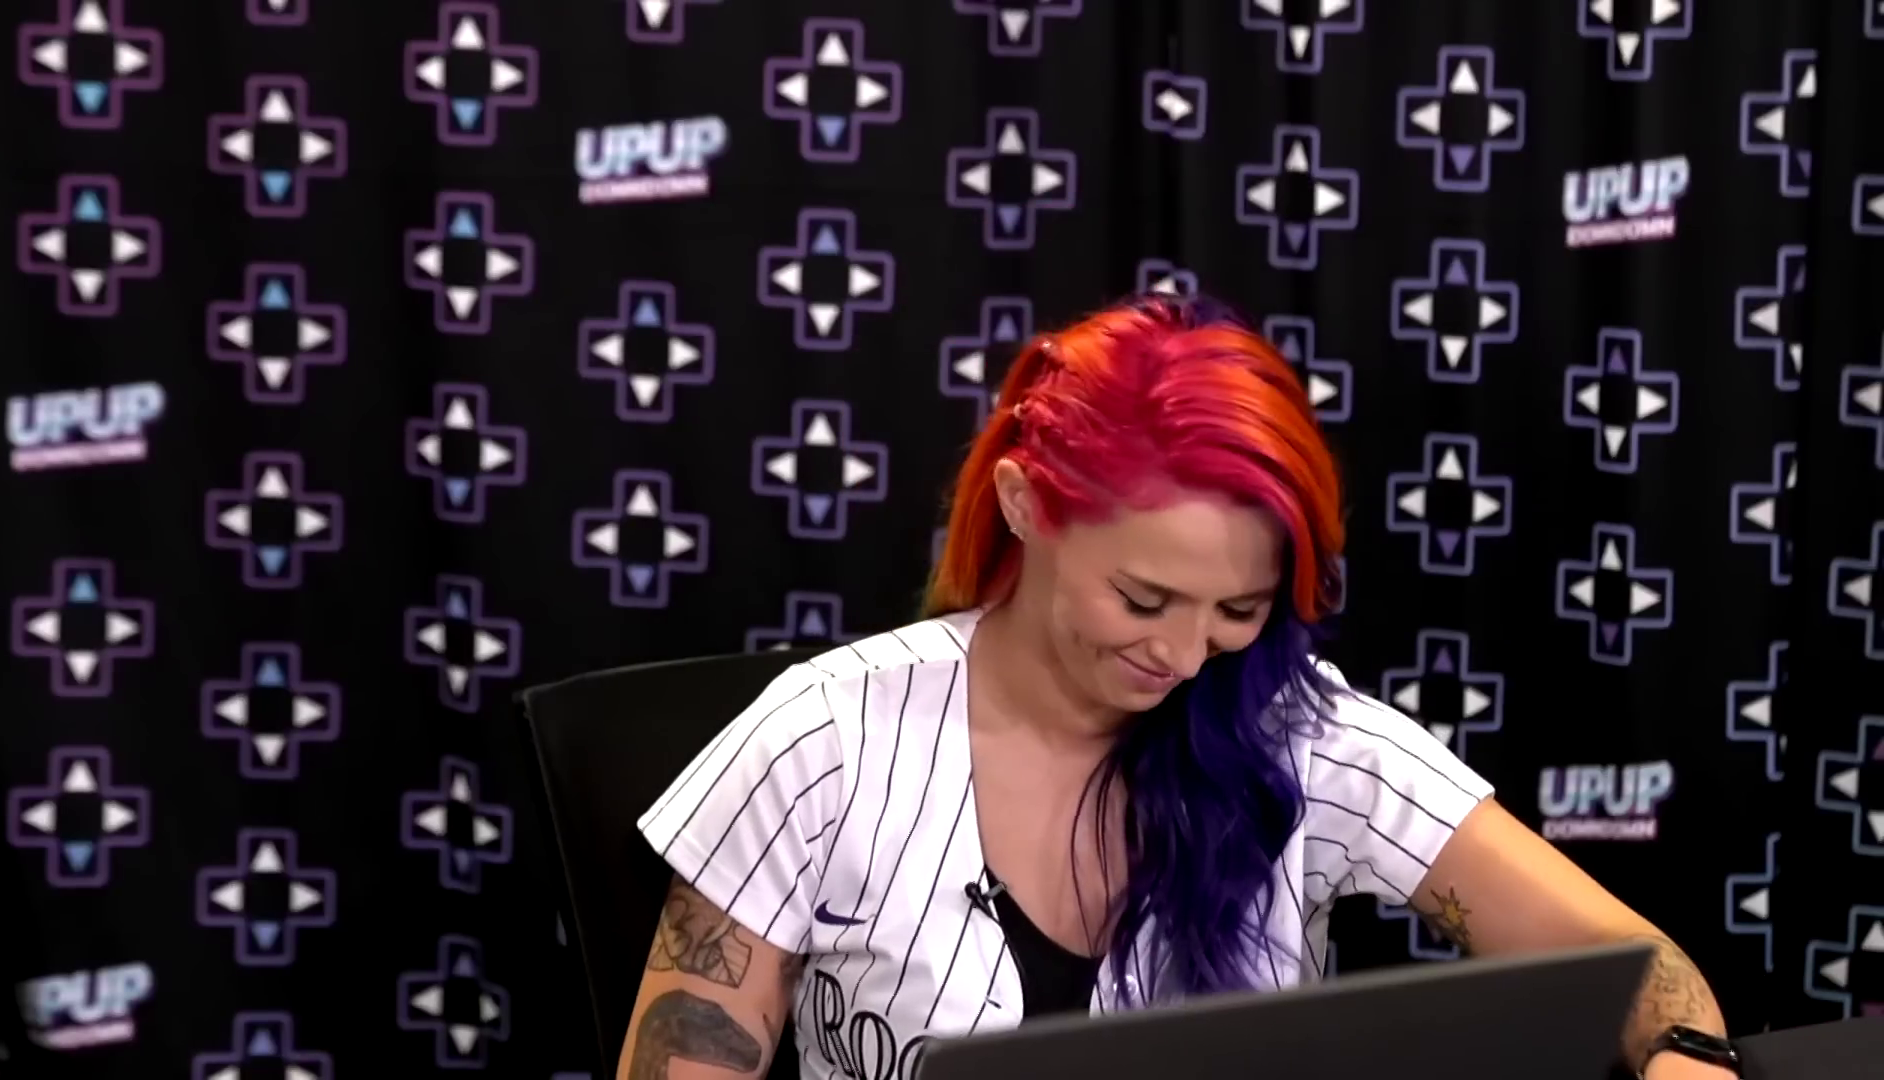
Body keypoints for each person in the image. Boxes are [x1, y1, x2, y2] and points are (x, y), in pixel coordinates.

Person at [619, 296, 1737, 1080]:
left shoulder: (1308, 737)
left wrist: (1688, 1057)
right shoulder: (823, 740)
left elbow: (1641, 972)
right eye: (1143, 599)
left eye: (1239, 611)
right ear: (1024, 505)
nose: (1190, 655)